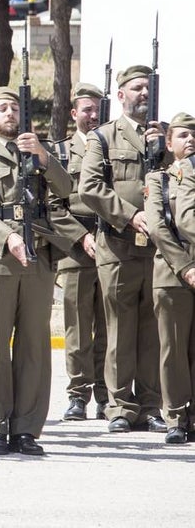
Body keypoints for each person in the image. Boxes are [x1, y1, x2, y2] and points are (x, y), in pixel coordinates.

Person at [0, 87, 85, 456]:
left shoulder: (40, 151)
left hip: (38, 256)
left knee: (34, 346)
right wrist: (8, 237)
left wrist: (44, 158)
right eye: (3, 108)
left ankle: (27, 429)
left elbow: (67, 189)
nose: (10, 114)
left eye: (15, 108)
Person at [80, 65, 169, 433]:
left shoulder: (164, 137)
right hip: (118, 246)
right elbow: (90, 187)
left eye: (148, 88)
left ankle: (150, 405)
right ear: (120, 95)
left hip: (157, 249)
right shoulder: (103, 137)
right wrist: (130, 215)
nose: (143, 94)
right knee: (119, 328)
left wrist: (164, 149)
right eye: (136, 88)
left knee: (152, 330)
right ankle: (119, 406)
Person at [51, 83, 108, 421]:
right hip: (75, 249)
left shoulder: (111, 147)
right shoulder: (61, 152)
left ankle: (106, 394)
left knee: (109, 326)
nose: (93, 115)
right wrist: (83, 237)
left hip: (111, 243)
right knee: (77, 327)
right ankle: (78, 395)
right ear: (74, 113)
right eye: (87, 109)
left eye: (98, 108)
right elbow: (54, 206)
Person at [147, 114, 195, 445]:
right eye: (183, 135)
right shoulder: (159, 179)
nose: (190, 140)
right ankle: (176, 416)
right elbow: (158, 228)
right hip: (172, 273)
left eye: (194, 135)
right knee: (173, 349)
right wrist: (186, 267)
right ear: (168, 143)